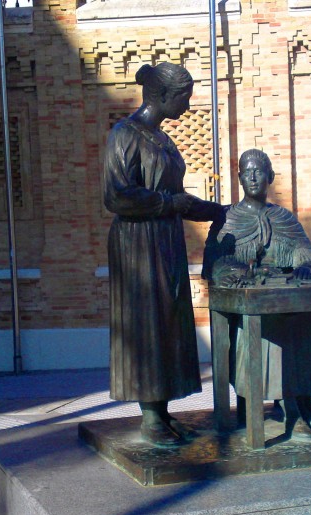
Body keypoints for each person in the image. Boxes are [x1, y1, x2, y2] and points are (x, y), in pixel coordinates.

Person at [103, 62, 223, 446]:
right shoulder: (124, 134)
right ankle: (151, 418)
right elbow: (117, 195)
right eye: (184, 98)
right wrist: (170, 204)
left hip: (166, 240)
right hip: (137, 245)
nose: (188, 105)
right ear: (162, 96)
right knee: (147, 324)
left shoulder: (163, 140)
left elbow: (179, 199)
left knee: (169, 322)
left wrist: (217, 211)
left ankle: (163, 412)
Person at [203, 149, 311, 439]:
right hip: (249, 307)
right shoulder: (227, 219)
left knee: (308, 319)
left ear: (270, 177)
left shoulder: (283, 217)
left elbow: (307, 254)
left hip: (285, 299)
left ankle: (302, 403)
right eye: (246, 171)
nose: (252, 176)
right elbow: (213, 266)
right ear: (238, 177)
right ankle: (292, 412)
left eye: (258, 171)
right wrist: (242, 273)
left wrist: (307, 267)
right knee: (275, 329)